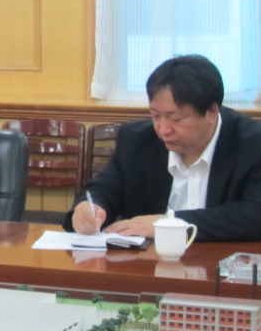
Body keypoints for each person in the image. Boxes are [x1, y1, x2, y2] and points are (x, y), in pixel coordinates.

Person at [65, 55, 261, 242]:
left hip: (222, 262)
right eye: (156, 116)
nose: (163, 129)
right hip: (149, 261)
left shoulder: (253, 143)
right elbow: (104, 190)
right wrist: (89, 209)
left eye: (175, 118)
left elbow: (255, 215)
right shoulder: (136, 140)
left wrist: (168, 224)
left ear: (211, 112)